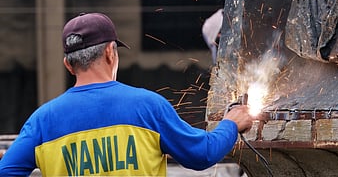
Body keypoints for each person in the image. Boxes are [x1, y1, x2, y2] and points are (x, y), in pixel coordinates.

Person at [0, 12, 252, 176]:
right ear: (111, 52)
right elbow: (202, 154)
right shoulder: (147, 106)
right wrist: (231, 123)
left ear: (68, 64)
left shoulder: (43, 120)